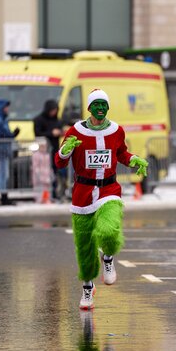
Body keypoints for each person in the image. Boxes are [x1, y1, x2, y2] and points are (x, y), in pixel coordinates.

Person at [55, 89, 149, 310]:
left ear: (108, 107)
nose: (100, 108)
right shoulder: (75, 131)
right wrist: (64, 152)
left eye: (103, 104)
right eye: (95, 104)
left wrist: (134, 159)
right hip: (83, 193)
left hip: (109, 189)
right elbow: (59, 163)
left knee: (109, 230)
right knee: (85, 248)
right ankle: (87, 290)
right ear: (89, 108)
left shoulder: (116, 131)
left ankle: (108, 258)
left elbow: (121, 153)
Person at [34, 99, 66, 199]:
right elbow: (38, 133)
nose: (54, 112)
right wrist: (51, 133)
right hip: (44, 151)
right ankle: (46, 194)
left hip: (55, 149)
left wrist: (60, 132)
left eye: (55, 110)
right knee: (45, 173)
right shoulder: (39, 119)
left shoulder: (57, 119)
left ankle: (55, 193)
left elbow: (60, 128)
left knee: (55, 172)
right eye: (52, 110)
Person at [0, 99, 21, 204]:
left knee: (2, 175)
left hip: (4, 150)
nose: (7, 109)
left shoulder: (3, 120)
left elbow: (5, 134)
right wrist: (10, 135)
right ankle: (3, 197)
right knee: (3, 175)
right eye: (6, 107)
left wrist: (13, 134)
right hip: (0, 151)